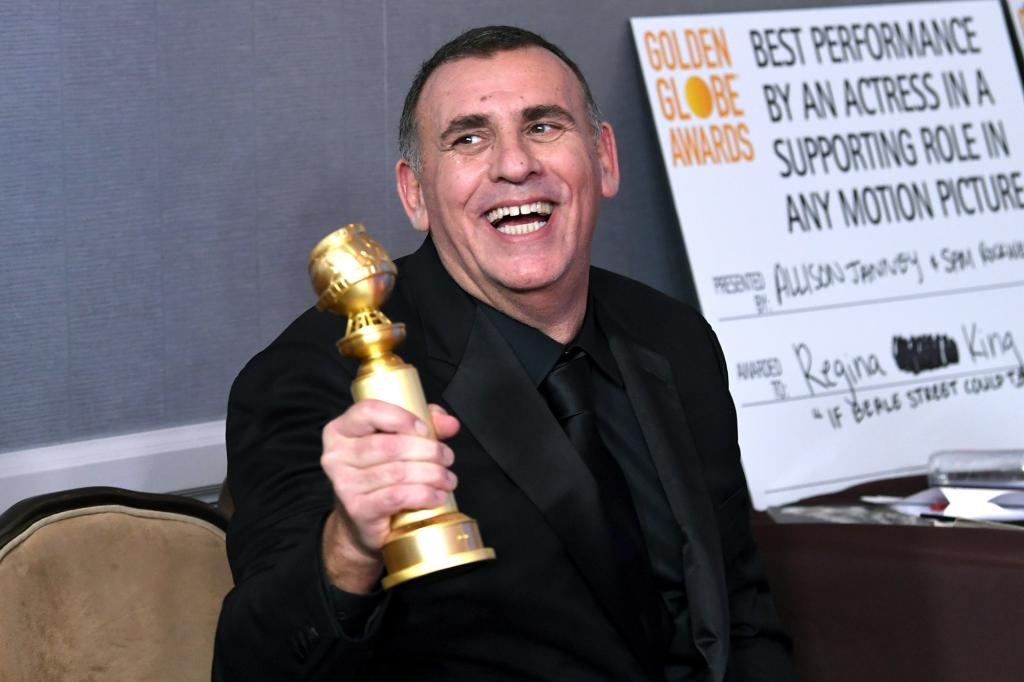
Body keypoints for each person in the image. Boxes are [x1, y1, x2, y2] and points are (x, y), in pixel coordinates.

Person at [214, 25, 793, 682]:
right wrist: (347, 549)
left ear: (603, 158)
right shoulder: (311, 380)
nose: (515, 165)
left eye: (543, 126)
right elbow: (250, 667)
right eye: (469, 138)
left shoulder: (675, 338)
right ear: (414, 194)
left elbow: (742, 615)